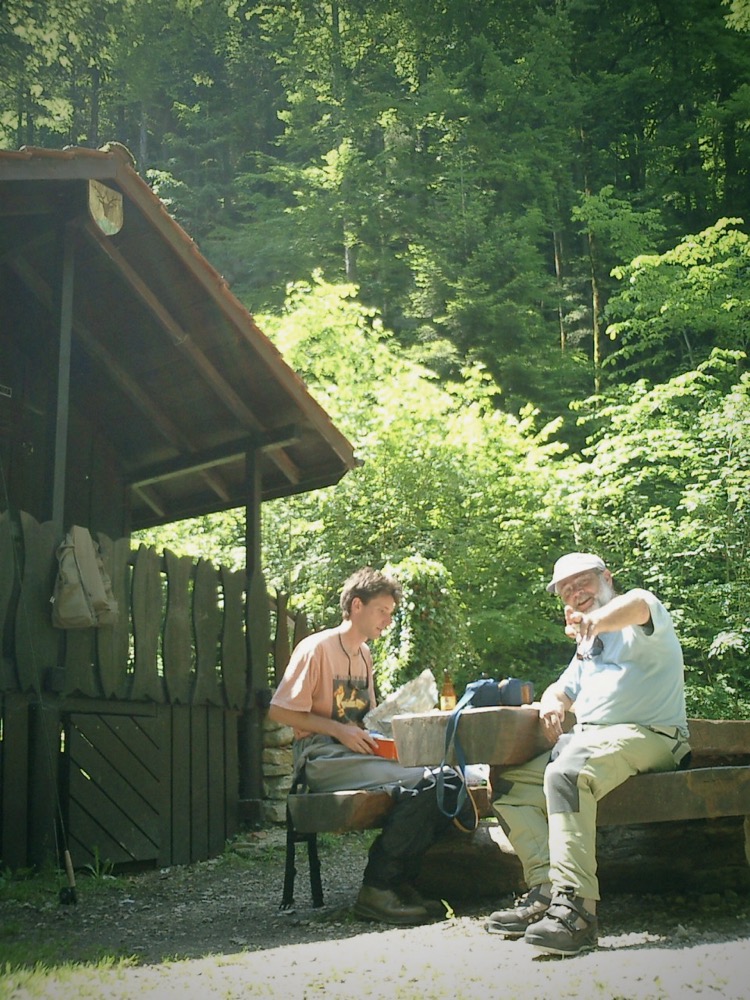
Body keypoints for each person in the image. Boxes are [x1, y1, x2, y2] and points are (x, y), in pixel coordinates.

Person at [484, 552, 690, 956]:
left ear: (606, 578)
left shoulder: (639, 614)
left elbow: (638, 606)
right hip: (594, 742)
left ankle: (576, 912)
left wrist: (595, 622)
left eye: (584, 583)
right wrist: (551, 702)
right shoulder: (586, 647)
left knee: (567, 773)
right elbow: (562, 687)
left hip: (653, 735)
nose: (577, 594)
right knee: (508, 782)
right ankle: (545, 890)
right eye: (567, 590)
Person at [268, 566, 478, 926]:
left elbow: (364, 718)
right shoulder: (315, 648)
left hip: (359, 750)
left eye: (391, 613)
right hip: (321, 757)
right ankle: (377, 888)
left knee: (447, 779)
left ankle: (402, 882)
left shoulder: (364, 654)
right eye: (383, 611)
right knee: (429, 780)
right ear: (355, 606)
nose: (388, 620)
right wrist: (338, 730)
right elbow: (279, 710)